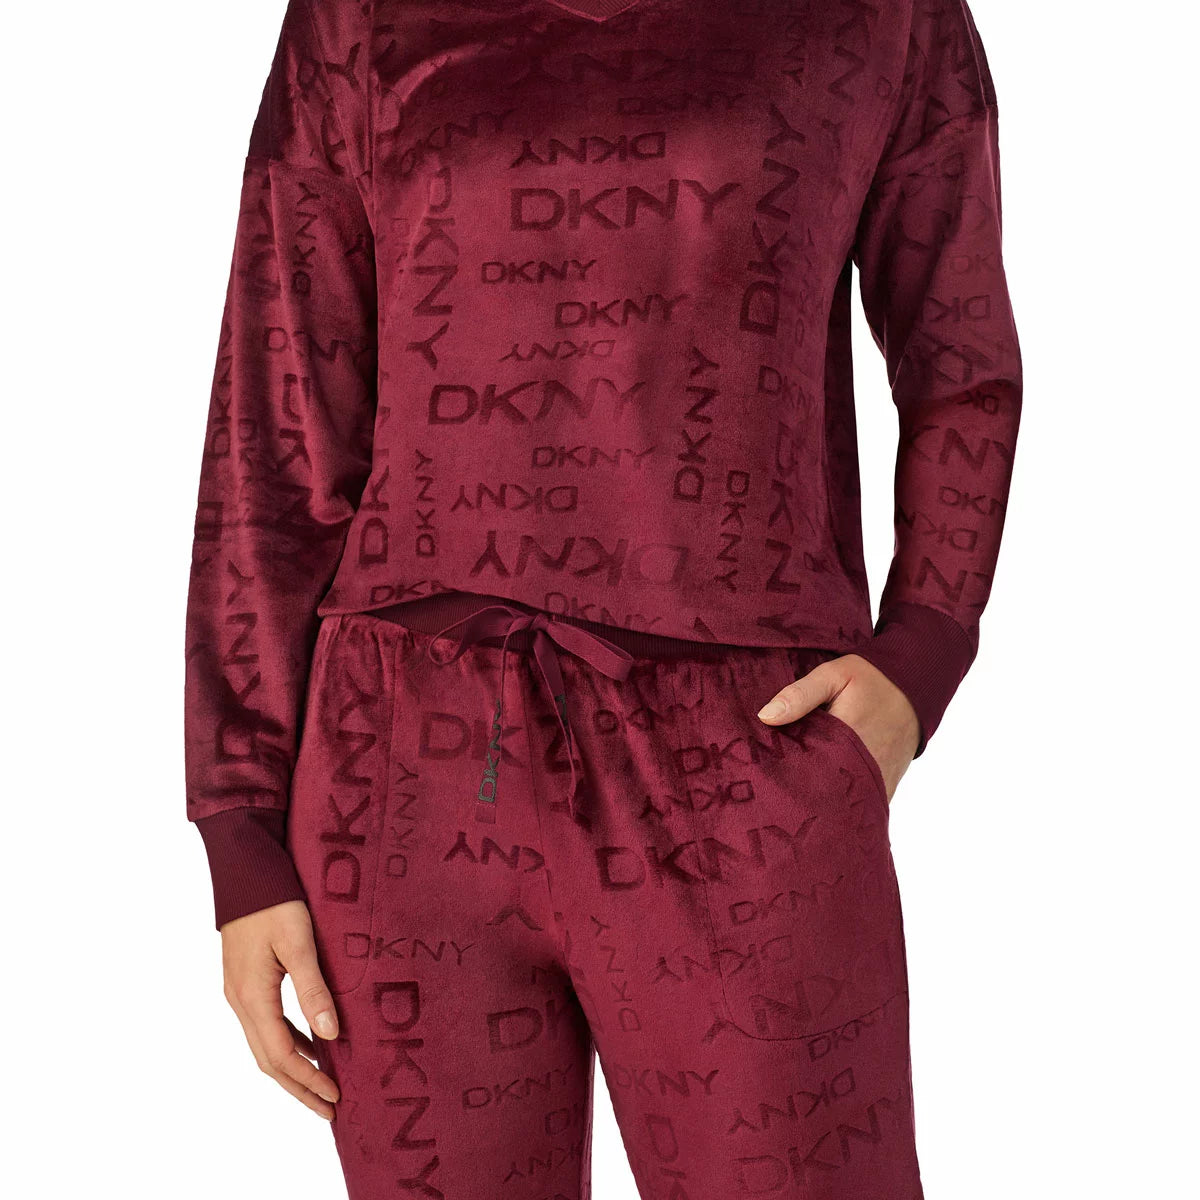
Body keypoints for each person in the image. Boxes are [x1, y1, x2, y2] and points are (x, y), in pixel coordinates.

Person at [183, 0, 1022, 1195]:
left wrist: (922, 654)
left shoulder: (882, 15)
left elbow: (959, 359)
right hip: (403, 770)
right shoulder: (358, 17)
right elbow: (279, 412)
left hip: (744, 749)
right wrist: (241, 824)